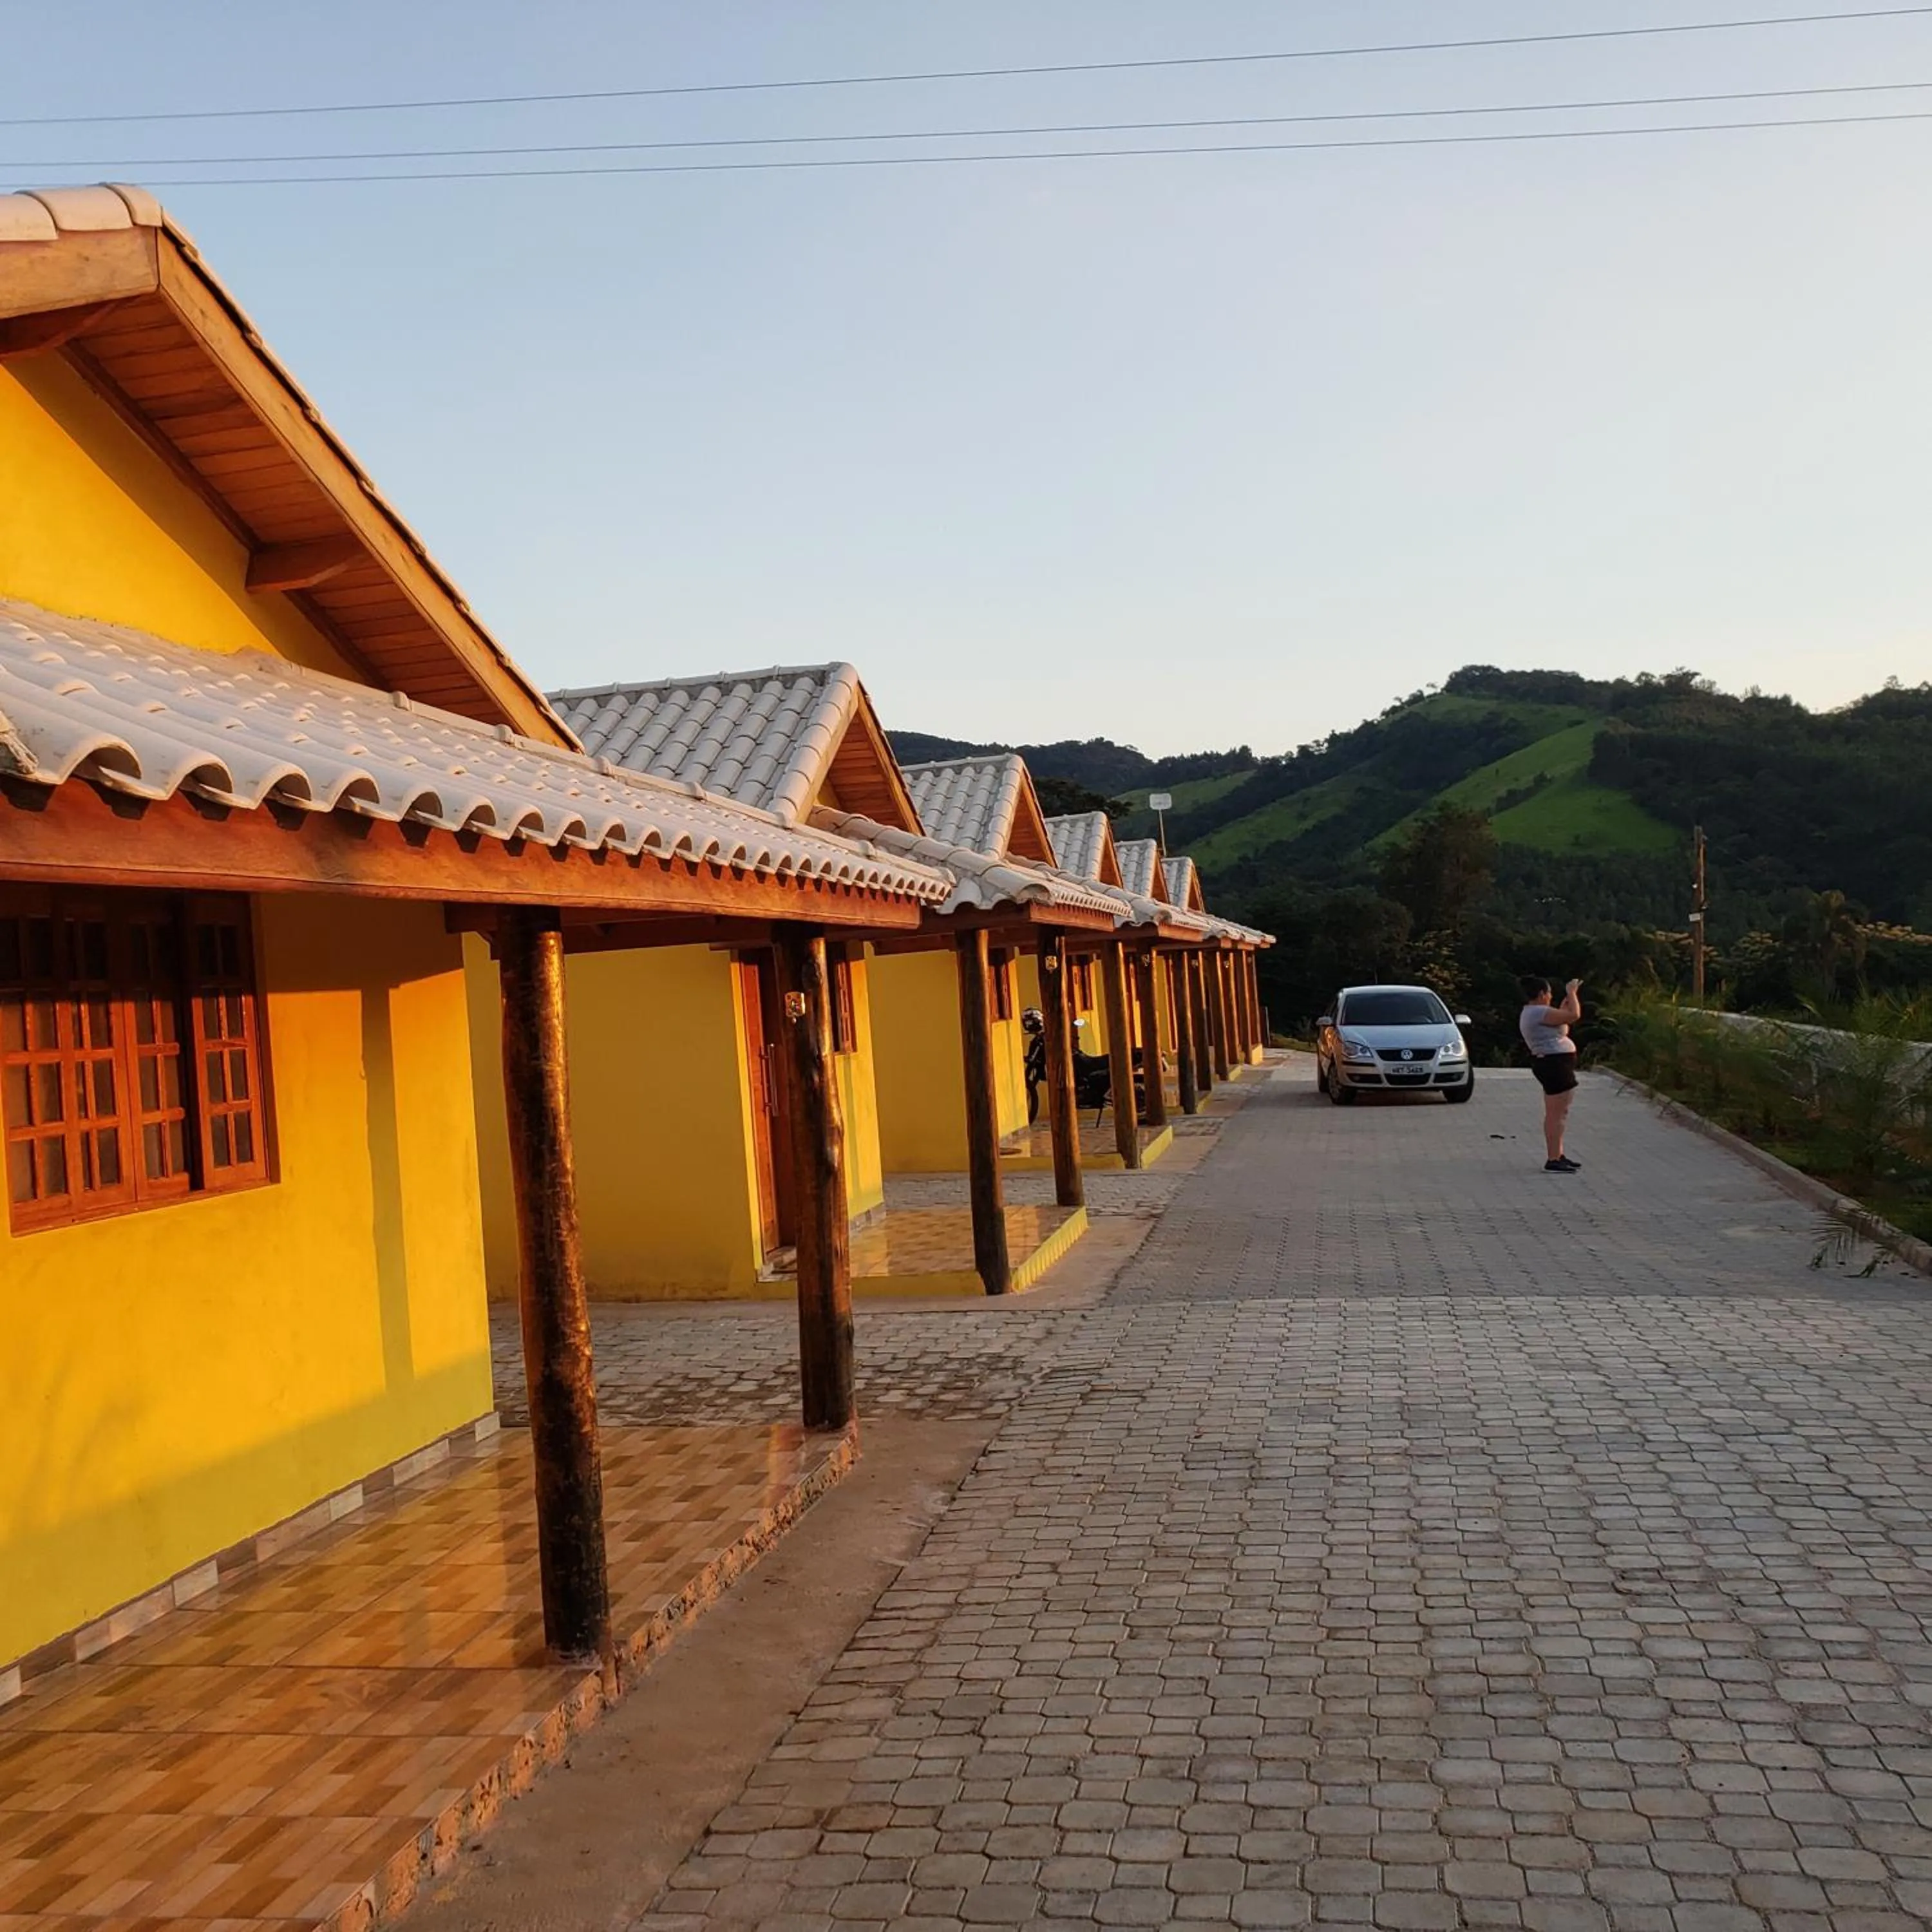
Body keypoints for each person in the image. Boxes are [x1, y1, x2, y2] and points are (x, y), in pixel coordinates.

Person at [1519, 975, 1582, 1172]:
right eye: (1549, 993)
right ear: (1541, 994)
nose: (1550, 997)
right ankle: (1553, 1159)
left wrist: (1564, 1007)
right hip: (1554, 1064)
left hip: (1554, 1063)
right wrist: (1572, 993)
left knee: (1558, 1112)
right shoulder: (1538, 1012)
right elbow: (1574, 1015)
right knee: (1557, 1114)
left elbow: (1563, 1022)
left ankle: (1558, 1154)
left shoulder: (1535, 1013)